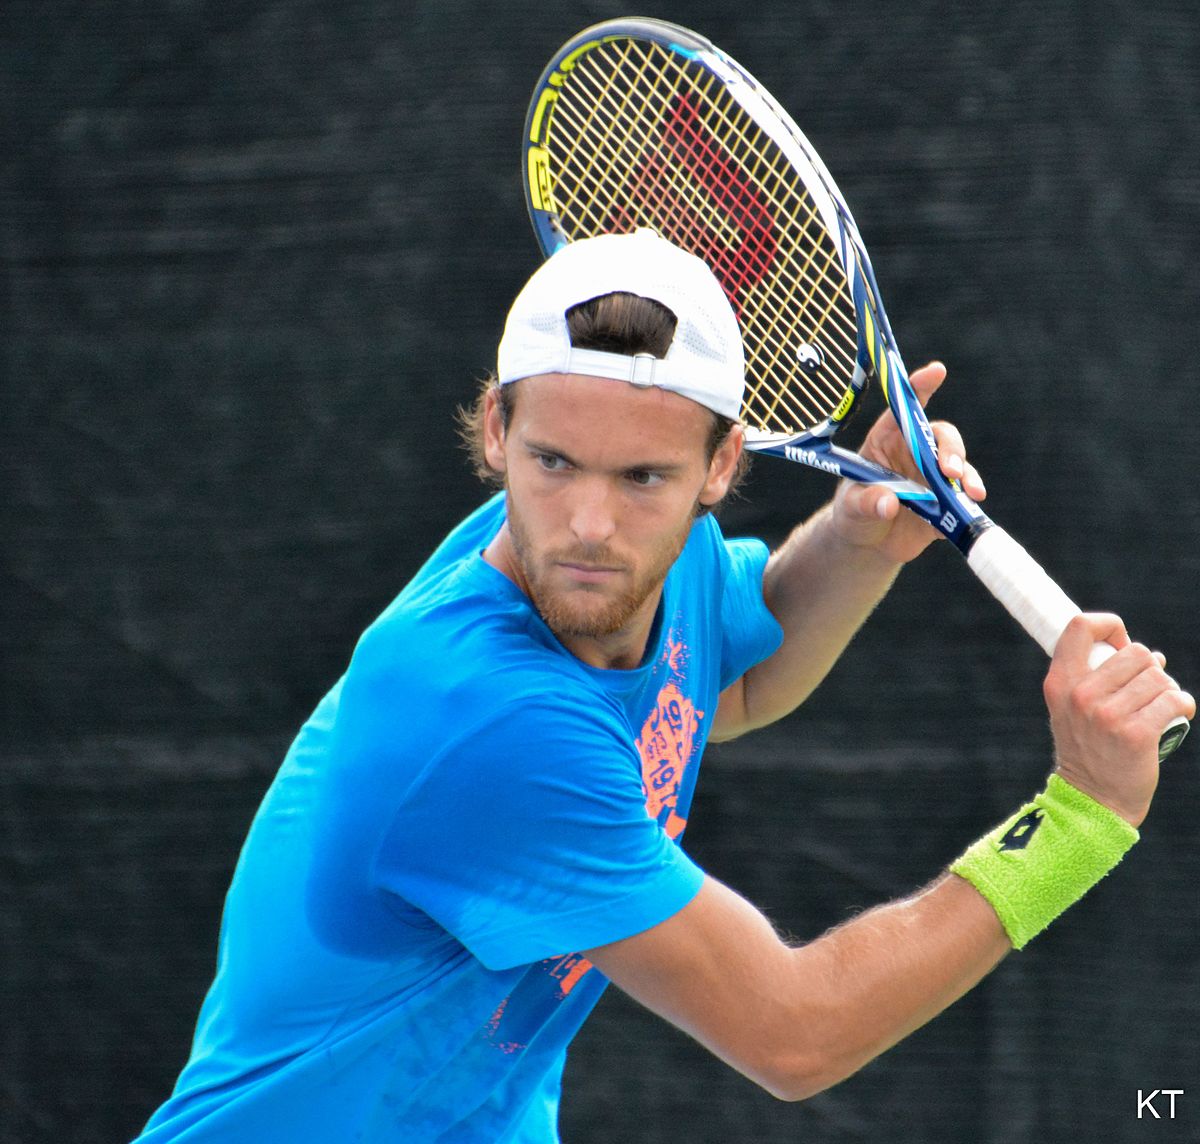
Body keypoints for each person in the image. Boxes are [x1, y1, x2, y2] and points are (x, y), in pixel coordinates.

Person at [134, 229, 1194, 1142]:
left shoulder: (650, 564)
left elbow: (724, 691)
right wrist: (1080, 821)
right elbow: (795, 1031)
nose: (590, 524)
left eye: (642, 478)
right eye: (553, 464)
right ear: (498, 430)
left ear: (720, 468)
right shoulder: (482, 716)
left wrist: (862, 540)